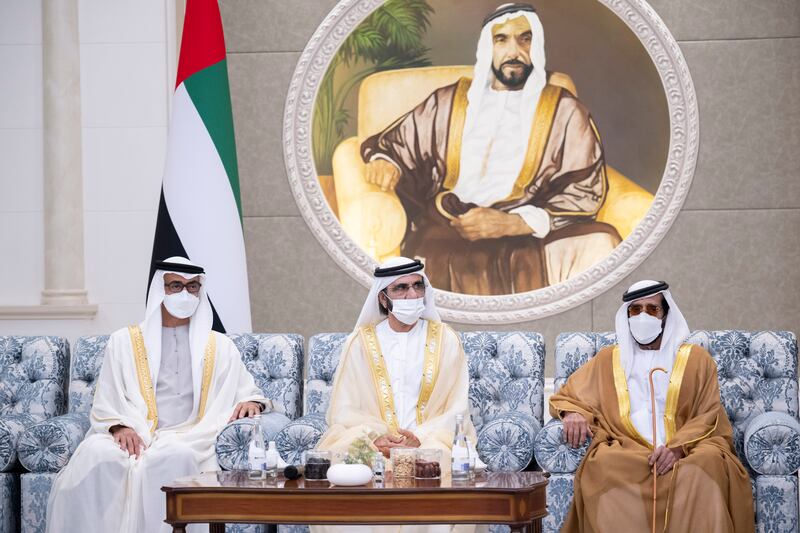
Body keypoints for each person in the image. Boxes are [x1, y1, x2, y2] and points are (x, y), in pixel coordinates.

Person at [361, 3, 620, 295]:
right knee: (427, 255)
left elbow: (584, 190)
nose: (515, 51)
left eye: (525, 39)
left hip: (530, 228)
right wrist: (386, 161)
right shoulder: (450, 102)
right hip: (454, 223)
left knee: (602, 242)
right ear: (488, 47)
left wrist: (512, 224)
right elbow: (398, 143)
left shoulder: (565, 110)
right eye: (502, 39)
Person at [47, 257, 273, 533]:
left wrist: (250, 401)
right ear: (160, 290)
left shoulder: (219, 345)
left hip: (190, 434)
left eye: (192, 287)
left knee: (175, 456)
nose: (185, 294)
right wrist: (120, 426)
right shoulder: (123, 341)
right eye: (175, 285)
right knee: (98, 455)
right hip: (134, 430)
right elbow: (107, 397)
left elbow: (245, 388)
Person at [550, 280, 754, 532]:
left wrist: (677, 448)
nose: (643, 315)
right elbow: (571, 395)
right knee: (603, 463)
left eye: (652, 309)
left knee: (708, 462)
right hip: (630, 448)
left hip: (688, 449)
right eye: (635, 310)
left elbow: (707, 412)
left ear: (666, 314)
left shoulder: (696, 359)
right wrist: (573, 413)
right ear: (626, 315)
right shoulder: (609, 359)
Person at [314, 257, 481, 533]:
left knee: (443, 474)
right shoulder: (360, 343)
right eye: (401, 289)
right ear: (383, 298)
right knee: (338, 473)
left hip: (430, 441)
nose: (412, 295)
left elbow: (457, 407)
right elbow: (343, 410)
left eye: (418, 286)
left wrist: (419, 440)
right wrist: (375, 438)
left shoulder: (446, 340)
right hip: (372, 443)